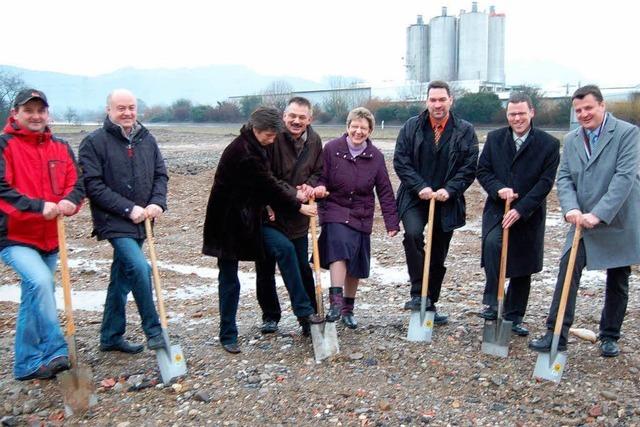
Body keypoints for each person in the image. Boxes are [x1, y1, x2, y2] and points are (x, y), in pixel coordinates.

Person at [529, 85, 640, 357]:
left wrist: (599, 214)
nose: (583, 114)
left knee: (618, 276)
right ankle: (556, 333)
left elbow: (624, 178)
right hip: (580, 220)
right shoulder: (573, 139)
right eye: (578, 110)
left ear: (602, 106)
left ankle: (609, 335)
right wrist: (571, 209)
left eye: (588, 108)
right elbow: (564, 177)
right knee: (568, 268)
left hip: (617, 218)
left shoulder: (627, 134)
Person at [202, 107, 318, 354]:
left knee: (285, 249)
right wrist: (298, 204)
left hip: (252, 217)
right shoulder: (242, 152)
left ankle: (304, 311)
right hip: (227, 223)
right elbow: (267, 184)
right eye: (269, 135)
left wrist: (265, 206)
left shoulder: (258, 144)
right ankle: (228, 333)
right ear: (256, 129)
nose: (273, 139)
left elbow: (260, 186)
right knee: (229, 278)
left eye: (275, 135)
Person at [0, 89, 84, 380]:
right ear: (16, 114)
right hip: (14, 236)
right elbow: (2, 190)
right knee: (40, 282)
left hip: (50, 237)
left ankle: (25, 363)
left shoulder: (60, 146)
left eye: (40, 111)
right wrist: (38, 207)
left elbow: (77, 182)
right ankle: (56, 349)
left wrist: (70, 201)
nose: (35, 116)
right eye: (29, 111)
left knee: (32, 295)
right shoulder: (4, 145)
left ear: (47, 114)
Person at [79, 89, 167, 354]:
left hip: (144, 221)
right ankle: (154, 331)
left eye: (131, 108)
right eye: (121, 108)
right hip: (114, 221)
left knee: (121, 279)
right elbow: (92, 185)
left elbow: (160, 174)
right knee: (141, 269)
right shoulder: (94, 142)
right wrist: (129, 209)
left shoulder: (146, 138)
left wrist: (157, 203)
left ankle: (110, 335)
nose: (127, 113)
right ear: (109, 110)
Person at [393, 80, 478, 324]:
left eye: (442, 99)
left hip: (446, 200)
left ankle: (430, 301)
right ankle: (418, 293)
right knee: (412, 235)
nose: (437, 104)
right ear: (426, 101)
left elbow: (468, 167)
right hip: (414, 195)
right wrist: (420, 187)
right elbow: (401, 161)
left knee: (438, 253)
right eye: (433, 100)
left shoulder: (465, 130)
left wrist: (450, 190)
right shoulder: (411, 127)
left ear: (451, 100)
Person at [476, 92, 560, 337]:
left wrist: (521, 209)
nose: (517, 118)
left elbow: (545, 183)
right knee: (493, 245)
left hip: (529, 213)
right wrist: (497, 189)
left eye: (521, 113)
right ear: (507, 115)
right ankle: (493, 301)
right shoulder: (494, 139)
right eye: (512, 114)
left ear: (531, 112)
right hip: (497, 208)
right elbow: (483, 171)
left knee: (523, 263)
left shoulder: (549, 144)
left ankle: (514, 315)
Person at [313, 107, 399, 329]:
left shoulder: (376, 157)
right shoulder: (331, 149)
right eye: (355, 126)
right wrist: (320, 187)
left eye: (363, 128)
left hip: (361, 213)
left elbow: (385, 190)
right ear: (347, 127)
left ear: (370, 131)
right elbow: (320, 176)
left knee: (357, 264)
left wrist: (391, 222)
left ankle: (347, 310)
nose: (358, 131)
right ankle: (335, 303)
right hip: (334, 208)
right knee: (339, 247)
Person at [256, 97, 322, 336]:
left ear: (309, 119)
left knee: (302, 267)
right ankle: (270, 316)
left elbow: (318, 170)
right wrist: (290, 195)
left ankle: (309, 317)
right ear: (284, 117)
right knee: (265, 268)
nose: (296, 121)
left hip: (298, 217)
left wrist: (309, 186)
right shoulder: (272, 138)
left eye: (301, 117)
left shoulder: (314, 140)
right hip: (270, 213)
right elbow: (264, 177)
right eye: (292, 116)